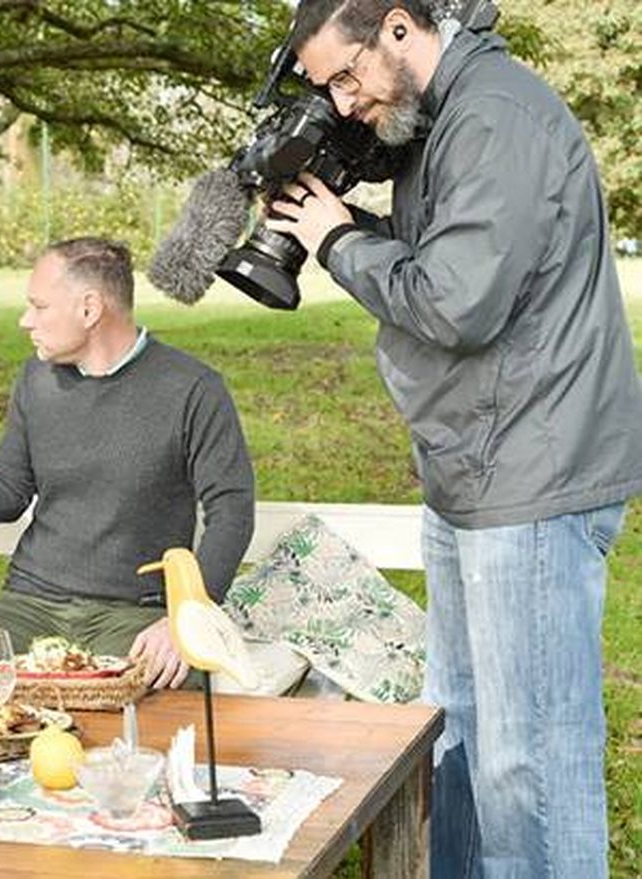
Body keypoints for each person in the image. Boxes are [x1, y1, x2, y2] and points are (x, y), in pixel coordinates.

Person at [266, 2, 642, 876]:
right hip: (473, 473)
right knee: (461, 740)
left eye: (345, 77)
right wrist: (351, 226)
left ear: (397, 28)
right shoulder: (441, 126)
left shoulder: (496, 116)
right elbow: (449, 254)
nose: (345, 103)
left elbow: (454, 300)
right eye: (328, 88)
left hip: (533, 478)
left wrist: (337, 243)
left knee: (531, 765)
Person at [0, 238, 255, 684]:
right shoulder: (36, 379)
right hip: (31, 604)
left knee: (161, 686)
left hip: (132, 614)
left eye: (39, 306)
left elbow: (232, 511)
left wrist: (187, 617)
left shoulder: (193, 389)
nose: (25, 320)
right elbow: (8, 492)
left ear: (89, 310)